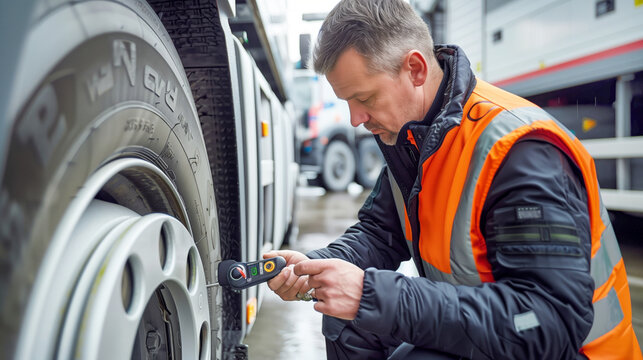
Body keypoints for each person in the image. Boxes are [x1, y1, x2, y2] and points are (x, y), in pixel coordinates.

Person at [264, 0, 641, 358]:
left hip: (570, 350)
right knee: (347, 317)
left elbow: (547, 324)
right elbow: (379, 234)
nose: (355, 119)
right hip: (492, 333)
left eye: (365, 97)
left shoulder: (518, 154)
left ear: (415, 69)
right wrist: (314, 268)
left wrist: (371, 295)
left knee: (367, 307)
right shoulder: (414, 140)